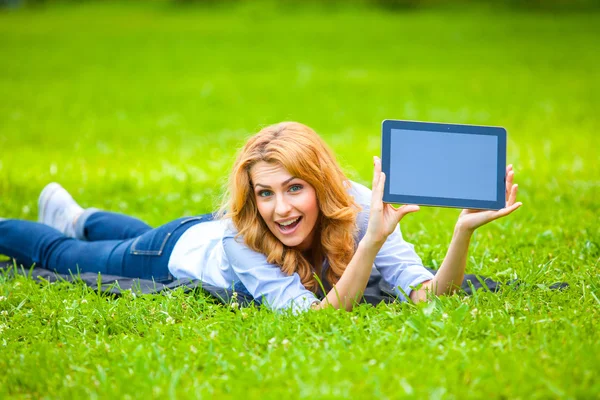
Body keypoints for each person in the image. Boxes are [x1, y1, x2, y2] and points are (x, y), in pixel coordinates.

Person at [0, 122, 522, 313]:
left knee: (131, 234)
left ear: (322, 184)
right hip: (177, 254)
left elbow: (431, 297)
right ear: (251, 197)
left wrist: (461, 233)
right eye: (265, 193)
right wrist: (370, 247)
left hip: (184, 236)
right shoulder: (241, 238)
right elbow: (319, 321)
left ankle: (83, 215)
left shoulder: (363, 207)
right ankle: (72, 224)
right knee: (64, 256)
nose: (281, 209)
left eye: (295, 188)